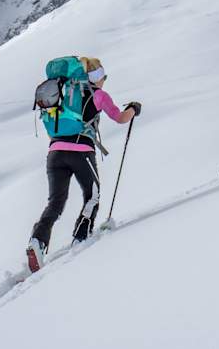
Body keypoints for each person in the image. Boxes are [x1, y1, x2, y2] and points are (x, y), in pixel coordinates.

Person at [27, 57, 140, 272]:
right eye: (102, 75)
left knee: (55, 202)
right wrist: (134, 108)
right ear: (95, 76)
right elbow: (120, 118)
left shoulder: (62, 94)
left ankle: (38, 241)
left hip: (55, 153)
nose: (104, 79)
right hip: (81, 152)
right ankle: (81, 238)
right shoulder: (98, 95)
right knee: (93, 195)